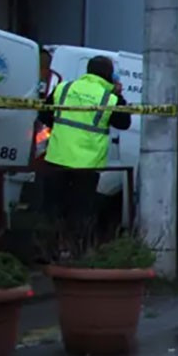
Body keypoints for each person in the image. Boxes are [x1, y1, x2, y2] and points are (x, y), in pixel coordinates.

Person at [37, 55, 132, 242]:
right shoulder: (110, 98)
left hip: (57, 159)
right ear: (110, 76)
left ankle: (46, 251)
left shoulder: (64, 88)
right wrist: (119, 95)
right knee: (80, 214)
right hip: (87, 165)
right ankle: (75, 254)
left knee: (51, 211)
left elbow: (44, 116)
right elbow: (124, 123)